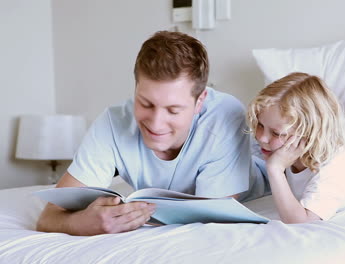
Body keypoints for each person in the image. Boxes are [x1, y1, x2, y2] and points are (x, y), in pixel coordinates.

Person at [36, 31, 268, 235]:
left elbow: (209, 220)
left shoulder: (225, 116)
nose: (156, 124)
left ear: (200, 101)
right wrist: (80, 223)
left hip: (258, 175)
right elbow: (48, 216)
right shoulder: (113, 122)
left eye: (173, 110)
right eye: (146, 104)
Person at [246, 72, 345, 224]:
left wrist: (275, 169)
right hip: (331, 150)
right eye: (260, 124)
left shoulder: (330, 175)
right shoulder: (284, 144)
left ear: (308, 134)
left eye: (276, 133)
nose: (261, 137)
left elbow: (300, 222)